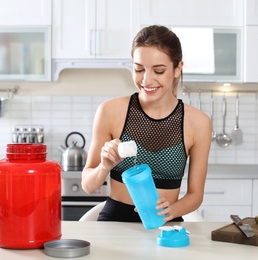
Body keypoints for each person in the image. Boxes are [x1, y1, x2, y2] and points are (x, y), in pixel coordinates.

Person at [81, 25, 211, 222]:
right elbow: (88, 186)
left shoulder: (198, 123)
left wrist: (172, 211)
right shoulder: (110, 111)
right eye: (139, 69)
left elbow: (195, 195)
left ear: (177, 69)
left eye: (158, 71)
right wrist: (104, 166)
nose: (146, 80)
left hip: (166, 222)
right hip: (115, 222)